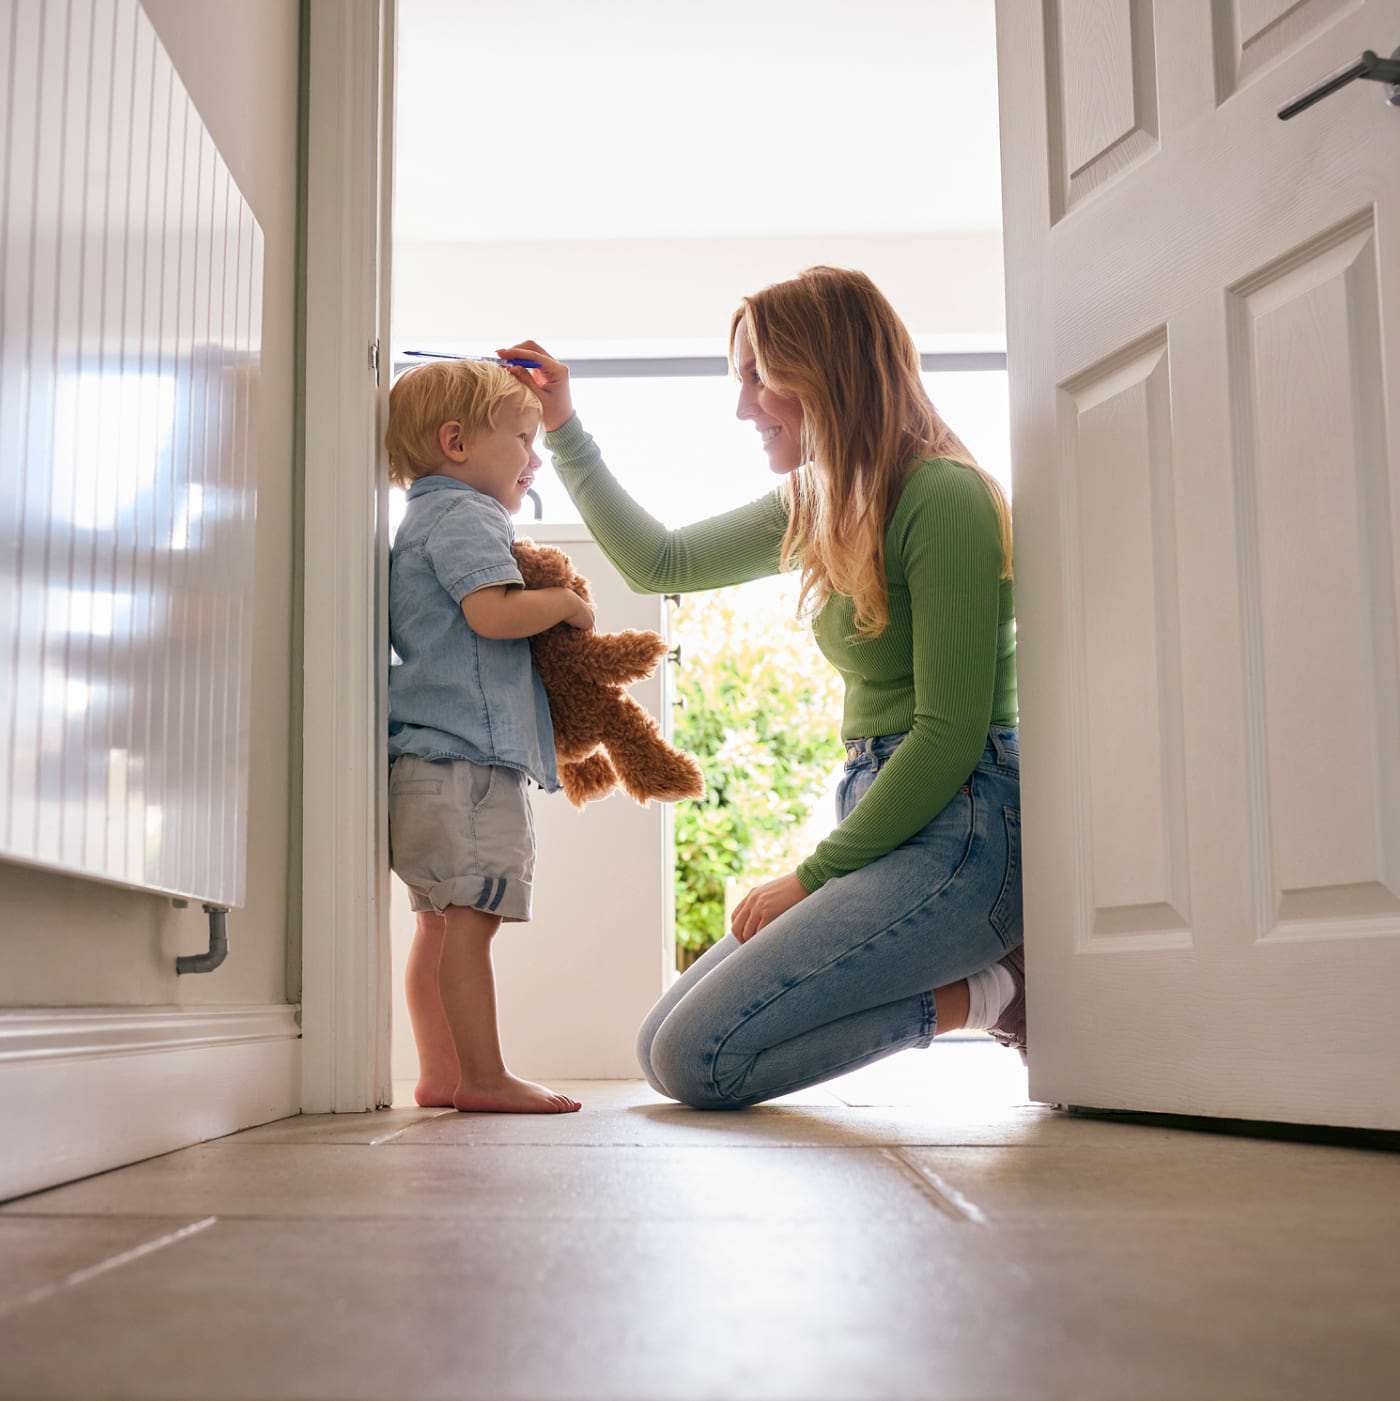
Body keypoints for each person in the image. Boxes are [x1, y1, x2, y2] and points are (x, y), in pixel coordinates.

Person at [497, 266, 1024, 1110]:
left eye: (758, 376)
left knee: (701, 1060)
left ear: (828, 371)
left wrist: (809, 878)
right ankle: (987, 988)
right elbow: (660, 560)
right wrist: (561, 422)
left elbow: (949, 734)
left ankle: (994, 995)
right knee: (658, 1045)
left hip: (965, 829)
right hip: (884, 811)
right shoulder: (820, 501)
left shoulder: (944, 498)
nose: (744, 405)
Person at [384, 359, 593, 1114]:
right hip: (465, 761)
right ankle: (481, 1075)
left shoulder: (420, 520)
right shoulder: (469, 517)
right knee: (469, 928)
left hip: (428, 759)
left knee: (437, 929)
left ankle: (442, 1071)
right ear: (457, 442)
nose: (534, 461)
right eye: (523, 439)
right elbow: (493, 613)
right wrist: (563, 601)